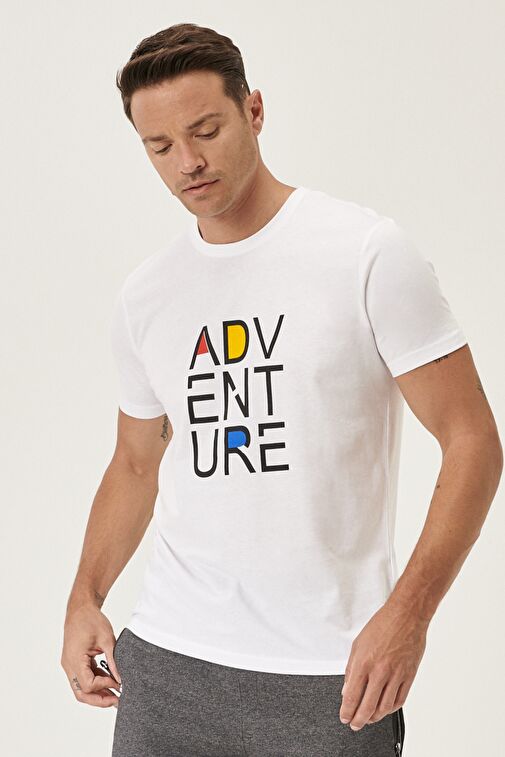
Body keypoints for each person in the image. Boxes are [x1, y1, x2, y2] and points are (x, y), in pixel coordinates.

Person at [60, 22, 503, 757]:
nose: (188, 162)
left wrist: (409, 614)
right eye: (159, 146)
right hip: (167, 665)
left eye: (206, 131)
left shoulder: (364, 254)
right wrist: (85, 595)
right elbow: (135, 463)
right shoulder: (147, 295)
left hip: (330, 675)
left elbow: (472, 441)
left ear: (254, 111)